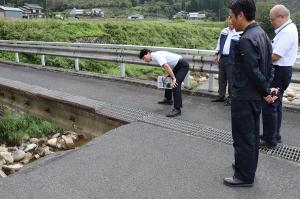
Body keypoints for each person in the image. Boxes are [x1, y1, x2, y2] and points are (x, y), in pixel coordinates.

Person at [223, 0, 278, 187]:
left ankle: (244, 176)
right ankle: (246, 167)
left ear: (241, 15)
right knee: (252, 135)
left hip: (244, 96)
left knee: (242, 137)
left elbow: (252, 71)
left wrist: (265, 90)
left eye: (232, 16)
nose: (230, 21)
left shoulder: (246, 39)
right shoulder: (261, 33)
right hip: (254, 96)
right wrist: (266, 89)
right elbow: (269, 67)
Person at [261, 5, 299, 149]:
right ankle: (273, 135)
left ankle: (270, 140)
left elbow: (276, 56)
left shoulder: (287, 32)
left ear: (282, 17)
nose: (271, 22)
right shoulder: (289, 29)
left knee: (270, 104)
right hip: (282, 71)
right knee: (276, 105)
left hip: (278, 72)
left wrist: (260, 61)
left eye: (272, 20)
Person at [139, 49, 189, 117]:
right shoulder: (155, 55)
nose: (145, 60)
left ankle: (177, 109)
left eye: (144, 58)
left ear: (148, 53)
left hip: (183, 66)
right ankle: (168, 99)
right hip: (177, 65)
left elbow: (166, 66)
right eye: (143, 59)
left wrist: (174, 78)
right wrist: (169, 74)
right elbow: (169, 63)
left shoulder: (156, 56)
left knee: (175, 85)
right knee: (167, 79)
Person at [212, 17, 241, 105]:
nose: (231, 22)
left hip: (232, 59)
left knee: (231, 80)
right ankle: (221, 96)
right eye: (229, 20)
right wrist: (216, 54)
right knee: (221, 78)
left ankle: (231, 98)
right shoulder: (224, 31)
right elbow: (219, 43)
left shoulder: (239, 33)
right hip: (222, 58)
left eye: (232, 21)